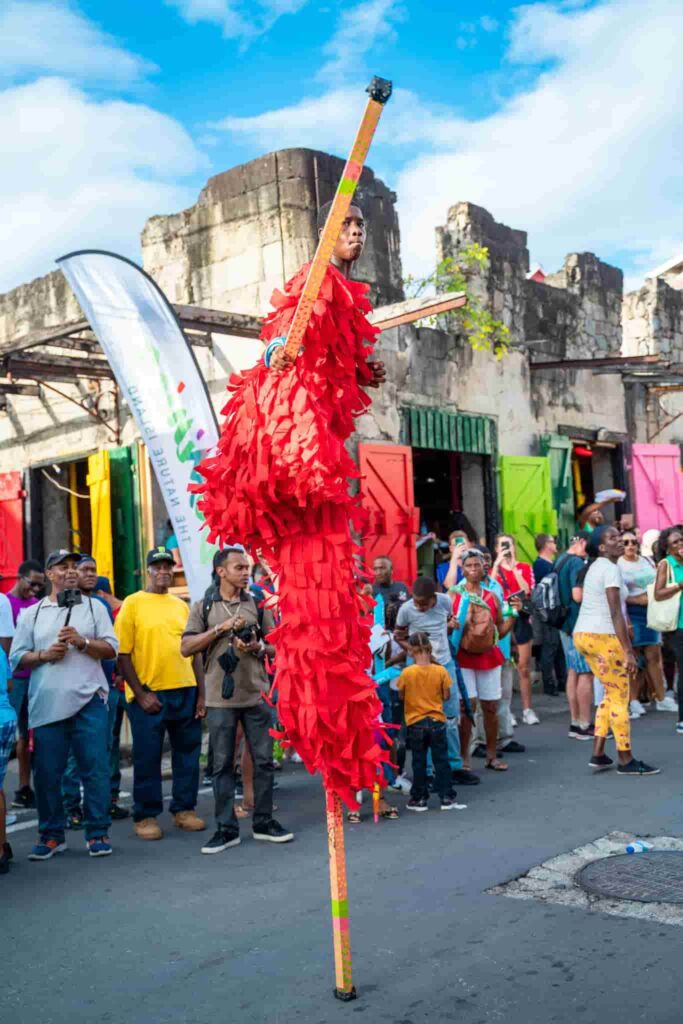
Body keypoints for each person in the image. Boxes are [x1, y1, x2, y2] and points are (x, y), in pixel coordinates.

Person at [196, 198, 392, 813]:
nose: (357, 234)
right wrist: (277, 352)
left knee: (331, 596)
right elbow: (280, 341)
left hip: (322, 474)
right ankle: (319, 739)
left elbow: (341, 361)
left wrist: (365, 370)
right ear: (329, 232)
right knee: (310, 573)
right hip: (292, 459)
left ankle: (341, 742)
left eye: (363, 227)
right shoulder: (312, 285)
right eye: (349, 226)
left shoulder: (346, 296)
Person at [181, 547, 294, 852]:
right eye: (239, 567)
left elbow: (277, 648)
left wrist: (258, 648)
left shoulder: (257, 604)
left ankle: (264, 821)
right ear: (221, 571)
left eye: (247, 567)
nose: (246, 572)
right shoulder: (203, 607)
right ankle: (226, 828)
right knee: (221, 766)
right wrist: (219, 629)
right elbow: (186, 647)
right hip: (220, 699)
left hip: (256, 695)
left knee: (264, 762)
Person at [9, 549, 119, 859]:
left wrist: (82, 643)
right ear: (49, 575)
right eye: (62, 567)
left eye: (74, 566)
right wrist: (45, 655)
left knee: (94, 769)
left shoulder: (95, 608)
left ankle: (97, 832)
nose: (71, 571)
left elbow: (111, 649)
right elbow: (17, 657)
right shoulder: (32, 614)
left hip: (89, 703)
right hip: (47, 704)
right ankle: (52, 835)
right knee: (48, 773)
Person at [116, 547, 206, 840]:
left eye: (169, 566)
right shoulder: (132, 604)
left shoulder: (181, 605)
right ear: (148, 570)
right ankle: (145, 815)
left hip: (185, 690)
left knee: (188, 755)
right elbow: (122, 654)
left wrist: (202, 695)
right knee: (147, 757)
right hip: (150, 695)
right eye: (158, 566)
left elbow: (195, 654)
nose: (164, 571)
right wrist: (140, 693)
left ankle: (184, 809)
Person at [574, 526, 660, 775]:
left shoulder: (596, 567)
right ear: (601, 547)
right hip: (602, 636)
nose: (620, 541)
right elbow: (614, 612)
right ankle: (625, 758)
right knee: (620, 697)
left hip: (585, 635)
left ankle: (599, 753)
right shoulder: (610, 568)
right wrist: (628, 651)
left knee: (610, 694)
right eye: (612, 538)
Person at [61, 556, 130, 826]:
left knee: (106, 747)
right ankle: (71, 807)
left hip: (105, 686)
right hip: (74, 688)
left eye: (93, 571)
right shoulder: (64, 602)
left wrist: (117, 673)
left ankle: (107, 801)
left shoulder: (100, 605)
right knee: (72, 753)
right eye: (84, 570)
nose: (90, 574)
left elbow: (112, 644)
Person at [395, 576, 479, 786]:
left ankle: (453, 766)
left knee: (450, 718)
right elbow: (398, 635)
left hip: (444, 663)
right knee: (424, 719)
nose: (419, 606)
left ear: (434, 599)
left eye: (423, 603)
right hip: (419, 668)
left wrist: (451, 624)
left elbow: (448, 624)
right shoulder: (406, 609)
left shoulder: (444, 601)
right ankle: (428, 772)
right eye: (416, 602)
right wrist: (416, 653)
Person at [450, 550, 520, 771]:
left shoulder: (492, 596)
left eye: (476, 565)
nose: (473, 569)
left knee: (490, 706)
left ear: (484, 568)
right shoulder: (453, 595)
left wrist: (515, 616)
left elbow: (500, 629)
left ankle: (491, 755)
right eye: (468, 565)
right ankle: (464, 758)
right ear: (462, 570)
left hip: (488, 656)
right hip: (463, 657)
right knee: (466, 708)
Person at [397, 633, 460, 812]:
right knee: (441, 760)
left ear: (411, 651)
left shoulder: (407, 673)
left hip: (416, 721)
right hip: (437, 720)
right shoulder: (440, 671)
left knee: (419, 761)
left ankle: (419, 798)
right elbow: (446, 695)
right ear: (430, 649)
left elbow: (401, 695)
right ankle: (446, 796)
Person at [619, 531, 675, 715]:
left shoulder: (647, 561)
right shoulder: (618, 564)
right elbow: (617, 595)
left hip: (651, 612)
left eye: (633, 541)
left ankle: (660, 698)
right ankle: (633, 700)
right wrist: (637, 600)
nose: (630, 545)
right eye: (625, 542)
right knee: (633, 658)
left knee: (654, 656)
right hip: (631, 613)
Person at [6, 560, 45, 810]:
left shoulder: (34, 605)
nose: (35, 590)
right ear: (19, 578)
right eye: (32, 584)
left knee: (30, 735)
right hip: (12, 681)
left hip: (34, 679)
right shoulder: (5, 604)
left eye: (40, 586)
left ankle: (25, 787)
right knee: (9, 736)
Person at [492, 534, 539, 724]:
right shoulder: (493, 567)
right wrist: (497, 564)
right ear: (496, 548)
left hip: (520, 618)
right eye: (502, 545)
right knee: (503, 666)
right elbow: (490, 587)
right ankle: (506, 711)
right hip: (501, 617)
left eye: (509, 545)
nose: (506, 548)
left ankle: (528, 710)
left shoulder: (525, 567)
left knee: (523, 666)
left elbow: (527, 589)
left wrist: (513, 569)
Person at [556, 534, 594, 740]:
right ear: (580, 543)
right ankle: (584, 724)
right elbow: (577, 595)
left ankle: (575, 721)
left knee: (573, 671)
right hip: (577, 623)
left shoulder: (560, 560)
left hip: (564, 623)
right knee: (585, 673)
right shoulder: (577, 562)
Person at [653, 527, 683, 735]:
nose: (680, 545)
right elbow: (658, 593)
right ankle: (682, 719)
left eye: (682, 540)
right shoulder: (666, 564)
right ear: (667, 547)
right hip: (678, 626)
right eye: (675, 543)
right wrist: (680, 585)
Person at [532, 534, 567, 696]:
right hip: (548, 612)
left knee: (557, 647)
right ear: (546, 544)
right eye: (553, 541)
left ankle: (562, 681)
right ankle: (549, 683)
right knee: (550, 647)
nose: (555, 544)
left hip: (555, 611)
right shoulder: (540, 565)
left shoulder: (549, 563)